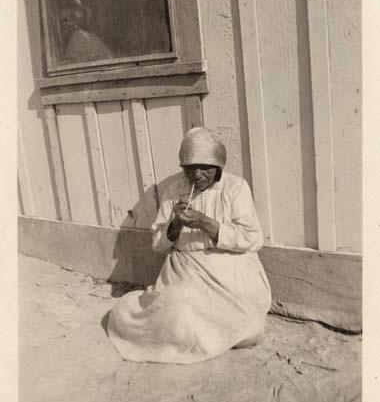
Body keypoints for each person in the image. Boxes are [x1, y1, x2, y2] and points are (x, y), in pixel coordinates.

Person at [107, 127, 272, 364]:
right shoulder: (175, 190)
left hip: (230, 268)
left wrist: (205, 222)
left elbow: (253, 239)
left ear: (218, 166)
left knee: (251, 328)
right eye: (189, 168)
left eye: (204, 168)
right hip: (187, 269)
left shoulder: (236, 188)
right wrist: (175, 224)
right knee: (178, 309)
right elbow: (158, 244)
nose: (196, 176)